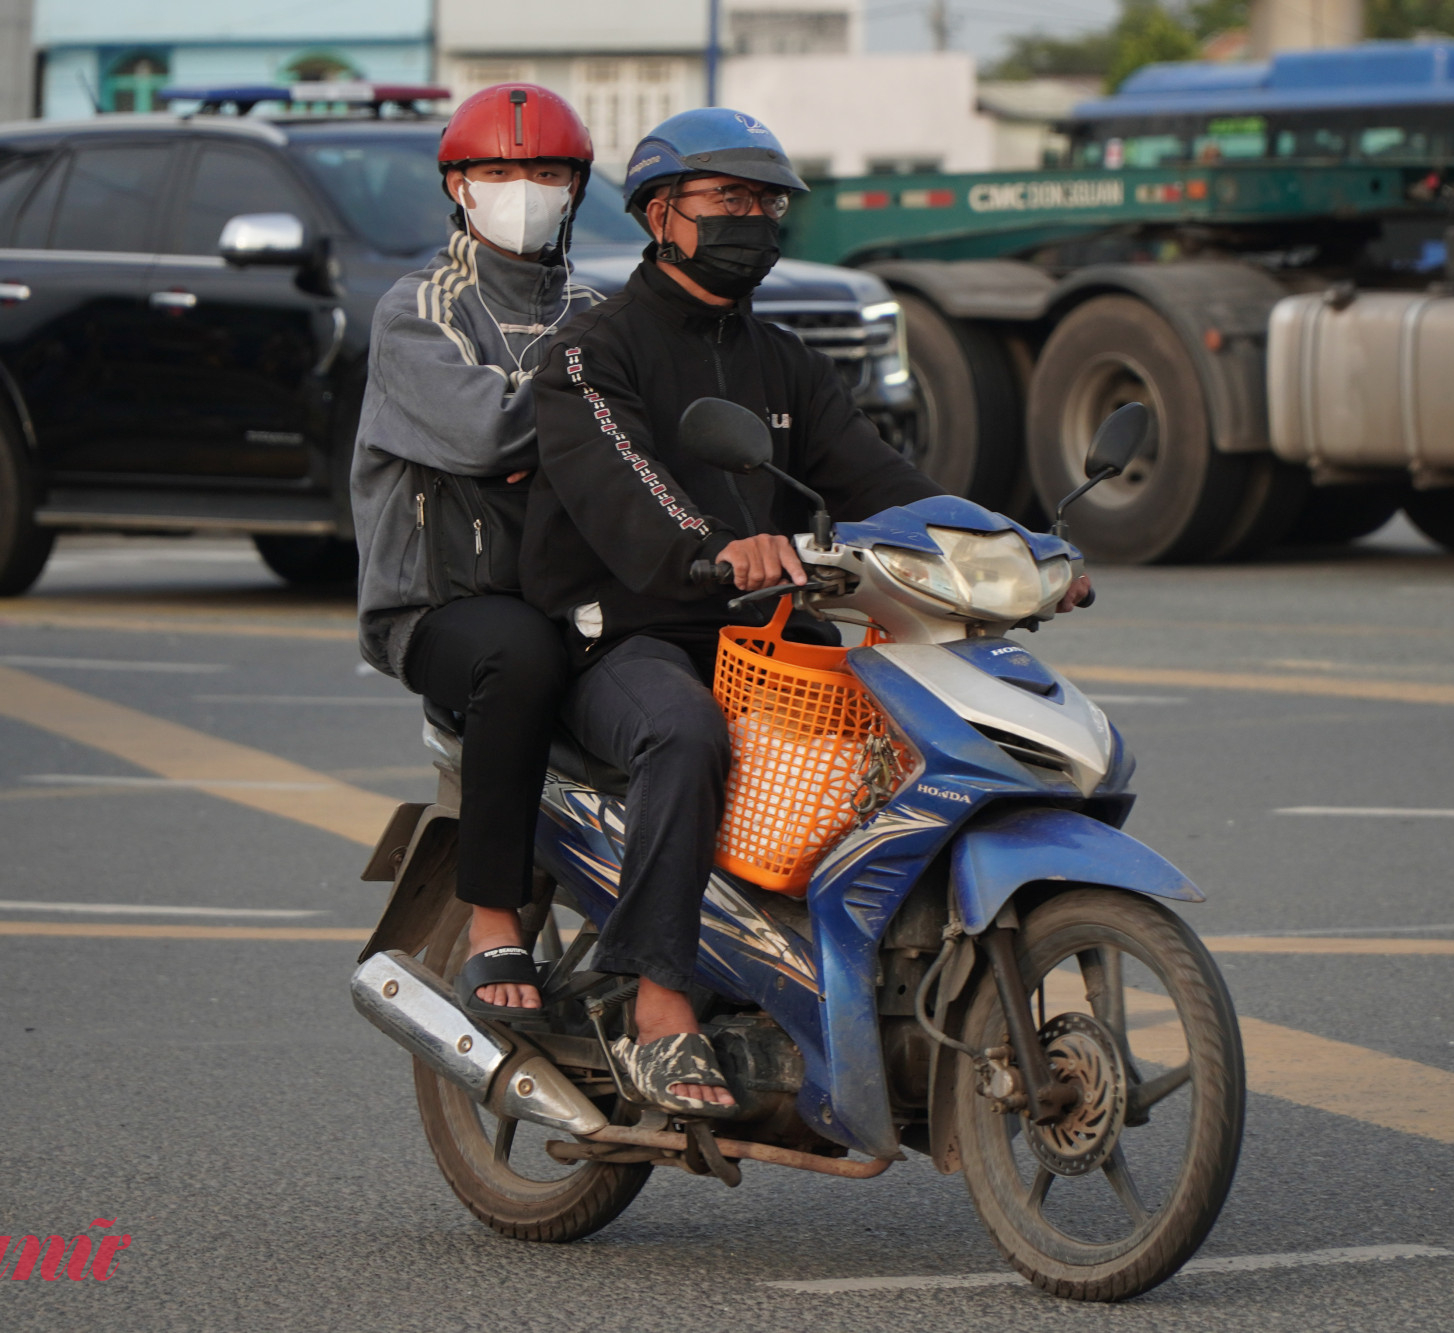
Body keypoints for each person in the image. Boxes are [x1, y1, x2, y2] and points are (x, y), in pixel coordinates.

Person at [523, 107, 1099, 1116]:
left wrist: (1022, 552)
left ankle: (830, 981)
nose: (754, 221)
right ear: (661, 213)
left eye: (766, 204)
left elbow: (887, 482)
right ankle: (659, 1006)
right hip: (622, 637)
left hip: (768, 638)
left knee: (905, 737)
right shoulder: (592, 350)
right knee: (683, 734)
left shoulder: (784, 360)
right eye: (729, 202)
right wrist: (714, 547)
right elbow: (629, 490)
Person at [352, 83, 603, 1017]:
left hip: (568, 582)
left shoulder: (597, 304)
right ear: (458, 185)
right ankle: (494, 917)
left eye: (543, 171)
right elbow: (487, 437)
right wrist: (577, 412)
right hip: (440, 605)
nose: (522, 189)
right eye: (497, 170)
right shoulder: (417, 312)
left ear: (576, 185)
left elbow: (625, 443)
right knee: (518, 653)